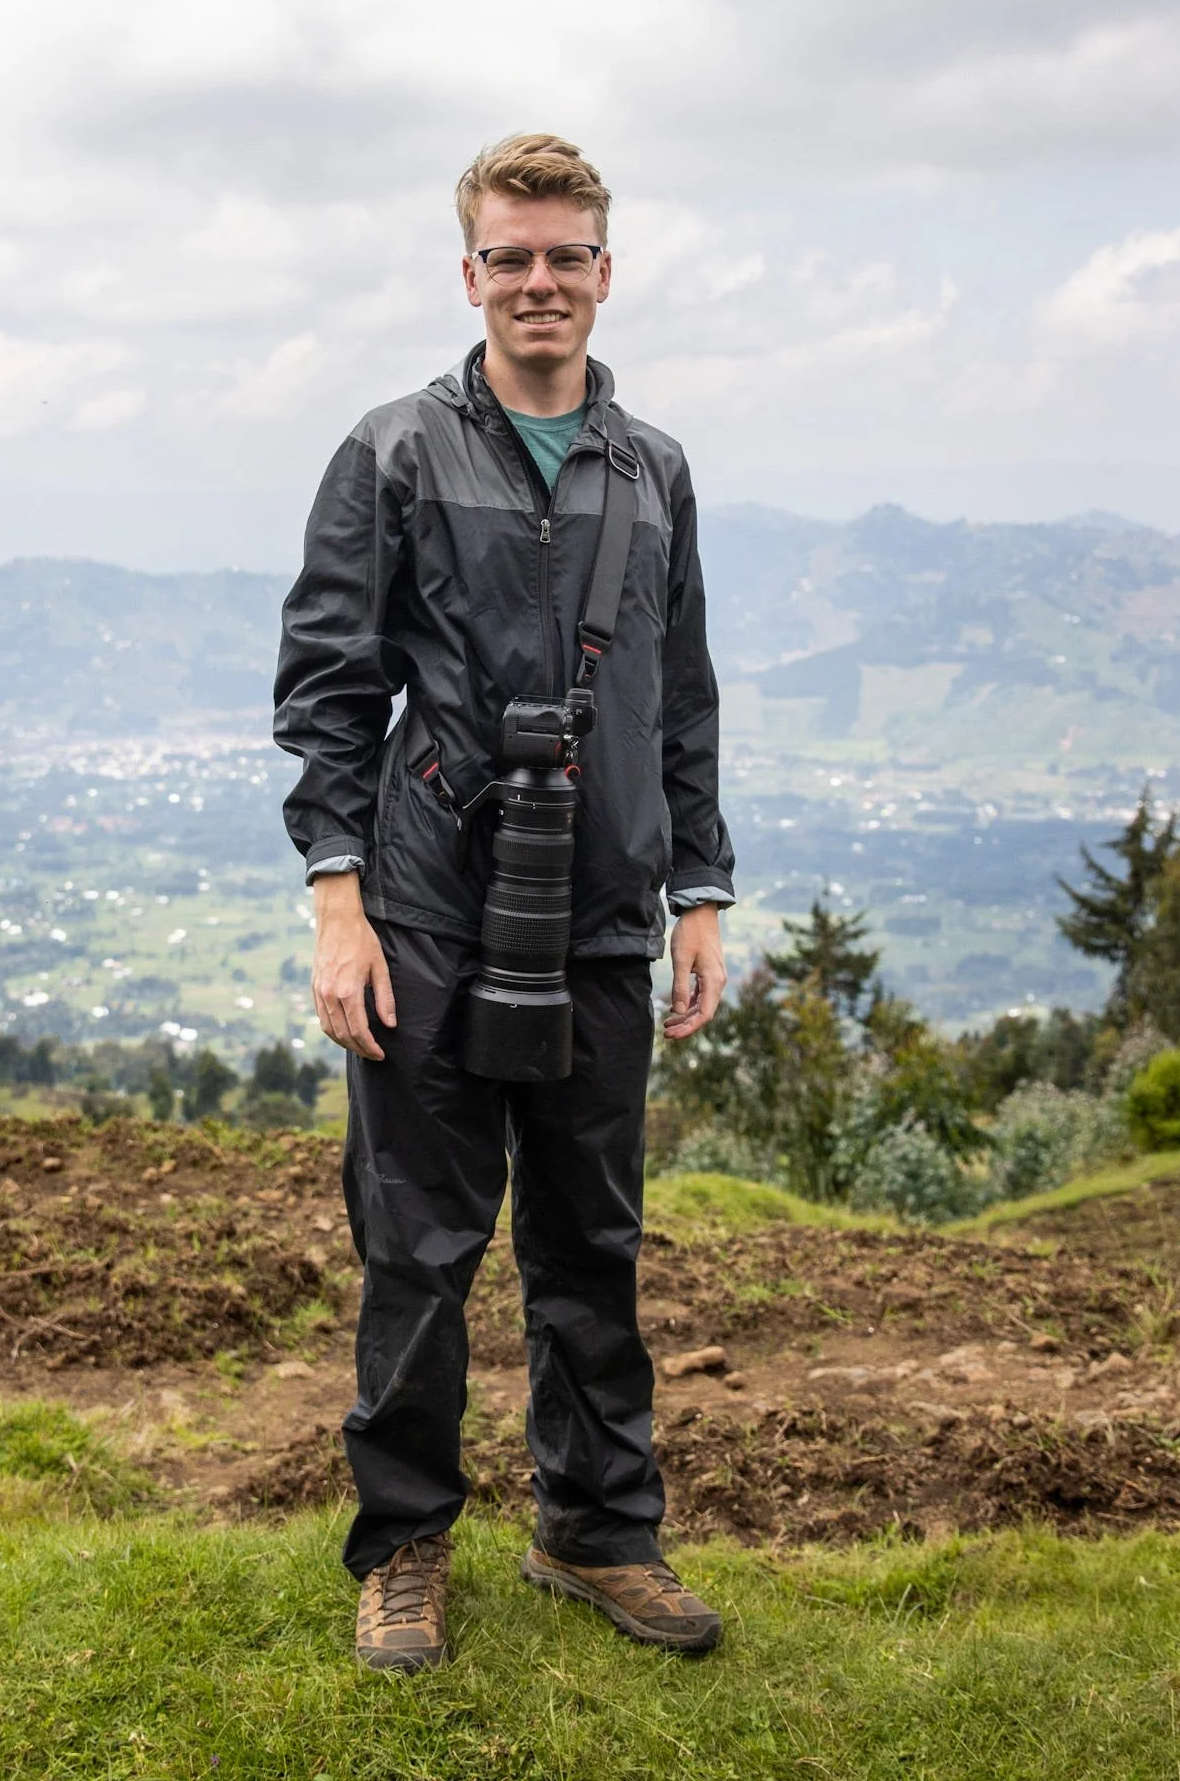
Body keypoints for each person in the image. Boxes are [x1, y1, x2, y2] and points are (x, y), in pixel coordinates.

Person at [273, 132, 735, 1671]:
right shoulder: (396, 452)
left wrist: (700, 890)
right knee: (419, 1250)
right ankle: (403, 1547)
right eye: (511, 257)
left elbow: (683, 701)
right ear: (469, 273)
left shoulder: (653, 468)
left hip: (605, 912)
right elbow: (331, 689)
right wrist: (340, 906)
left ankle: (597, 1536)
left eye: (566, 256)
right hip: (427, 920)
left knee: (592, 1246)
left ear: (607, 271)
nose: (540, 282)